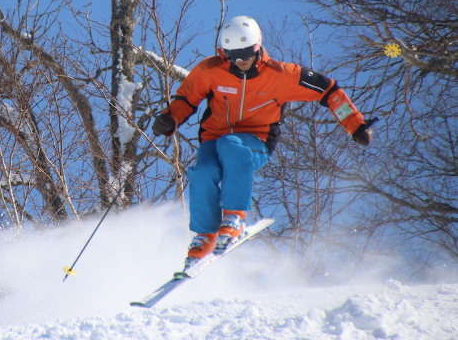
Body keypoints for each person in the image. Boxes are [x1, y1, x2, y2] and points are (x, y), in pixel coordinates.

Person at [151, 16, 373, 268]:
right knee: (202, 172)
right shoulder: (210, 70)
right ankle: (205, 236)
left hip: (256, 140)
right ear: (223, 53)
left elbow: (328, 90)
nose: (241, 61)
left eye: (247, 54)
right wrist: (170, 119)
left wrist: (355, 124)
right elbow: (186, 99)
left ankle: (234, 219)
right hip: (213, 137)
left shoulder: (282, 75)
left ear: (258, 48)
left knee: (232, 147)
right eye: (234, 56)